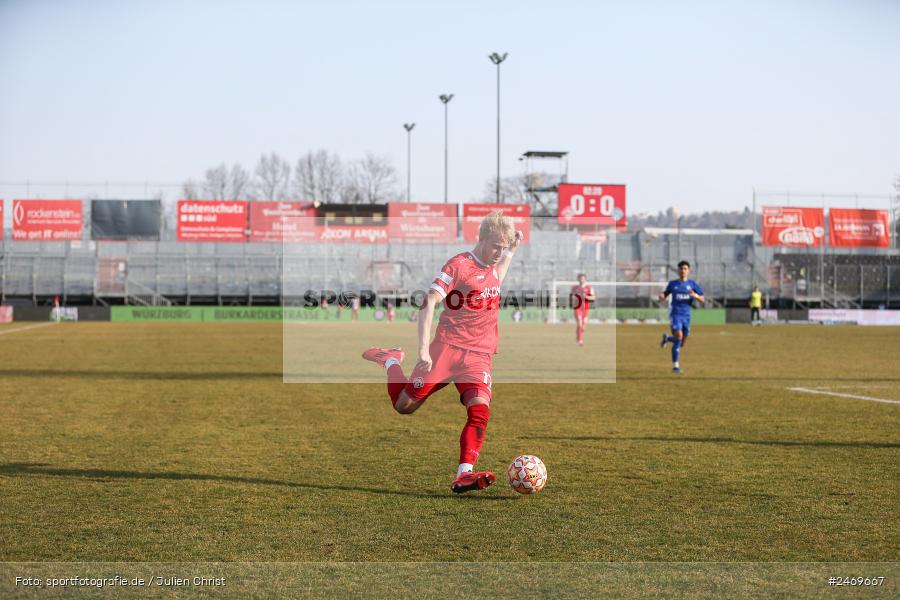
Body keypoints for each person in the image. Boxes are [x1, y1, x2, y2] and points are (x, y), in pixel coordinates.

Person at [362, 211, 523, 494]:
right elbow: (429, 302)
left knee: (480, 411)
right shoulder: (459, 265)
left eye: (503, 247)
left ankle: (464, 474)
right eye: (495, 245)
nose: (499, 252)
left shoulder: (494, 267)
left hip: (478, 356)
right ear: (482, 238)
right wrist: (423, 349)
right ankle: (389, 359)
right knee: (404, 406)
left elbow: (498, 274)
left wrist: (512, 249)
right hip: (446, 350)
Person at [659, 260, 705, 374]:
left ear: (689, 271)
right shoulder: (673, 284)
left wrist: (695, 295)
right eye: (681, 268)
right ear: (678, 270)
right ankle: (675, 366)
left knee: (682, 342)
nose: (683, 271)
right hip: (675, 314)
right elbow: (665, 294)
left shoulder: (693, 284)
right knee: (679, 337)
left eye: (685, 269)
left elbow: (703, 299)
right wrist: (662, 296)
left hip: (687, 316)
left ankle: (667, 339)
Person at [570, 273, 596, 346]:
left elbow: (593, 298)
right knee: (579, 323)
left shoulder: (589, 288)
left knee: (583, 327)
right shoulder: (574, 288)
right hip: (577, 308)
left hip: (586, 308)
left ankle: (578, 336)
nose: (581, 280)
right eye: (580, 278)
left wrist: (586, 297)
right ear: (578, 279)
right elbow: (572, 297)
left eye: (583, 278)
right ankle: (580, 341)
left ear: (585, 279)